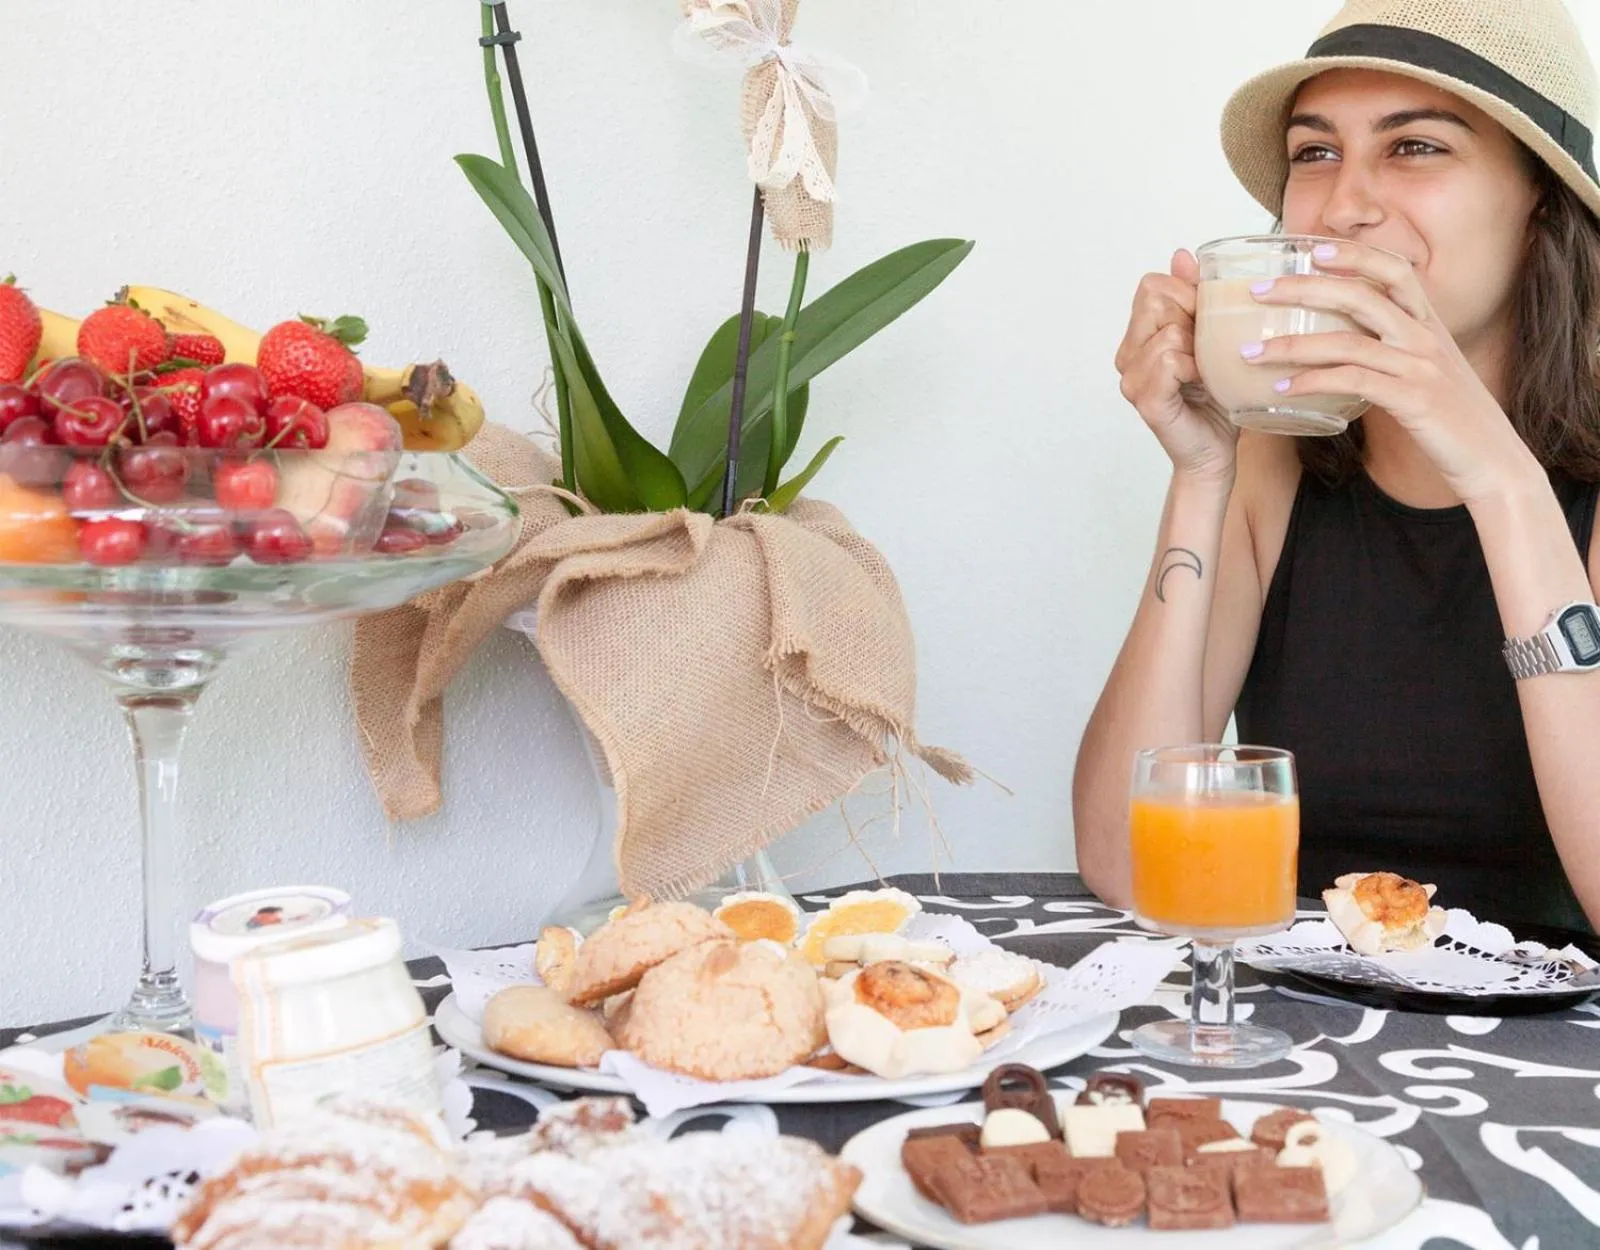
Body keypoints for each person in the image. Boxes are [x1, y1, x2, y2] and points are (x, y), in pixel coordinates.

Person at [1073, 0, 1600, 930]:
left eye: (1416, 147)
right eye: (1316, 153)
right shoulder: (1276, 460)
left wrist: (1504, 484)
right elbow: (1127, 863)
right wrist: (1202, 474)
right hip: (1303, 1035)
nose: (1348, 204)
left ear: (1541, 203)